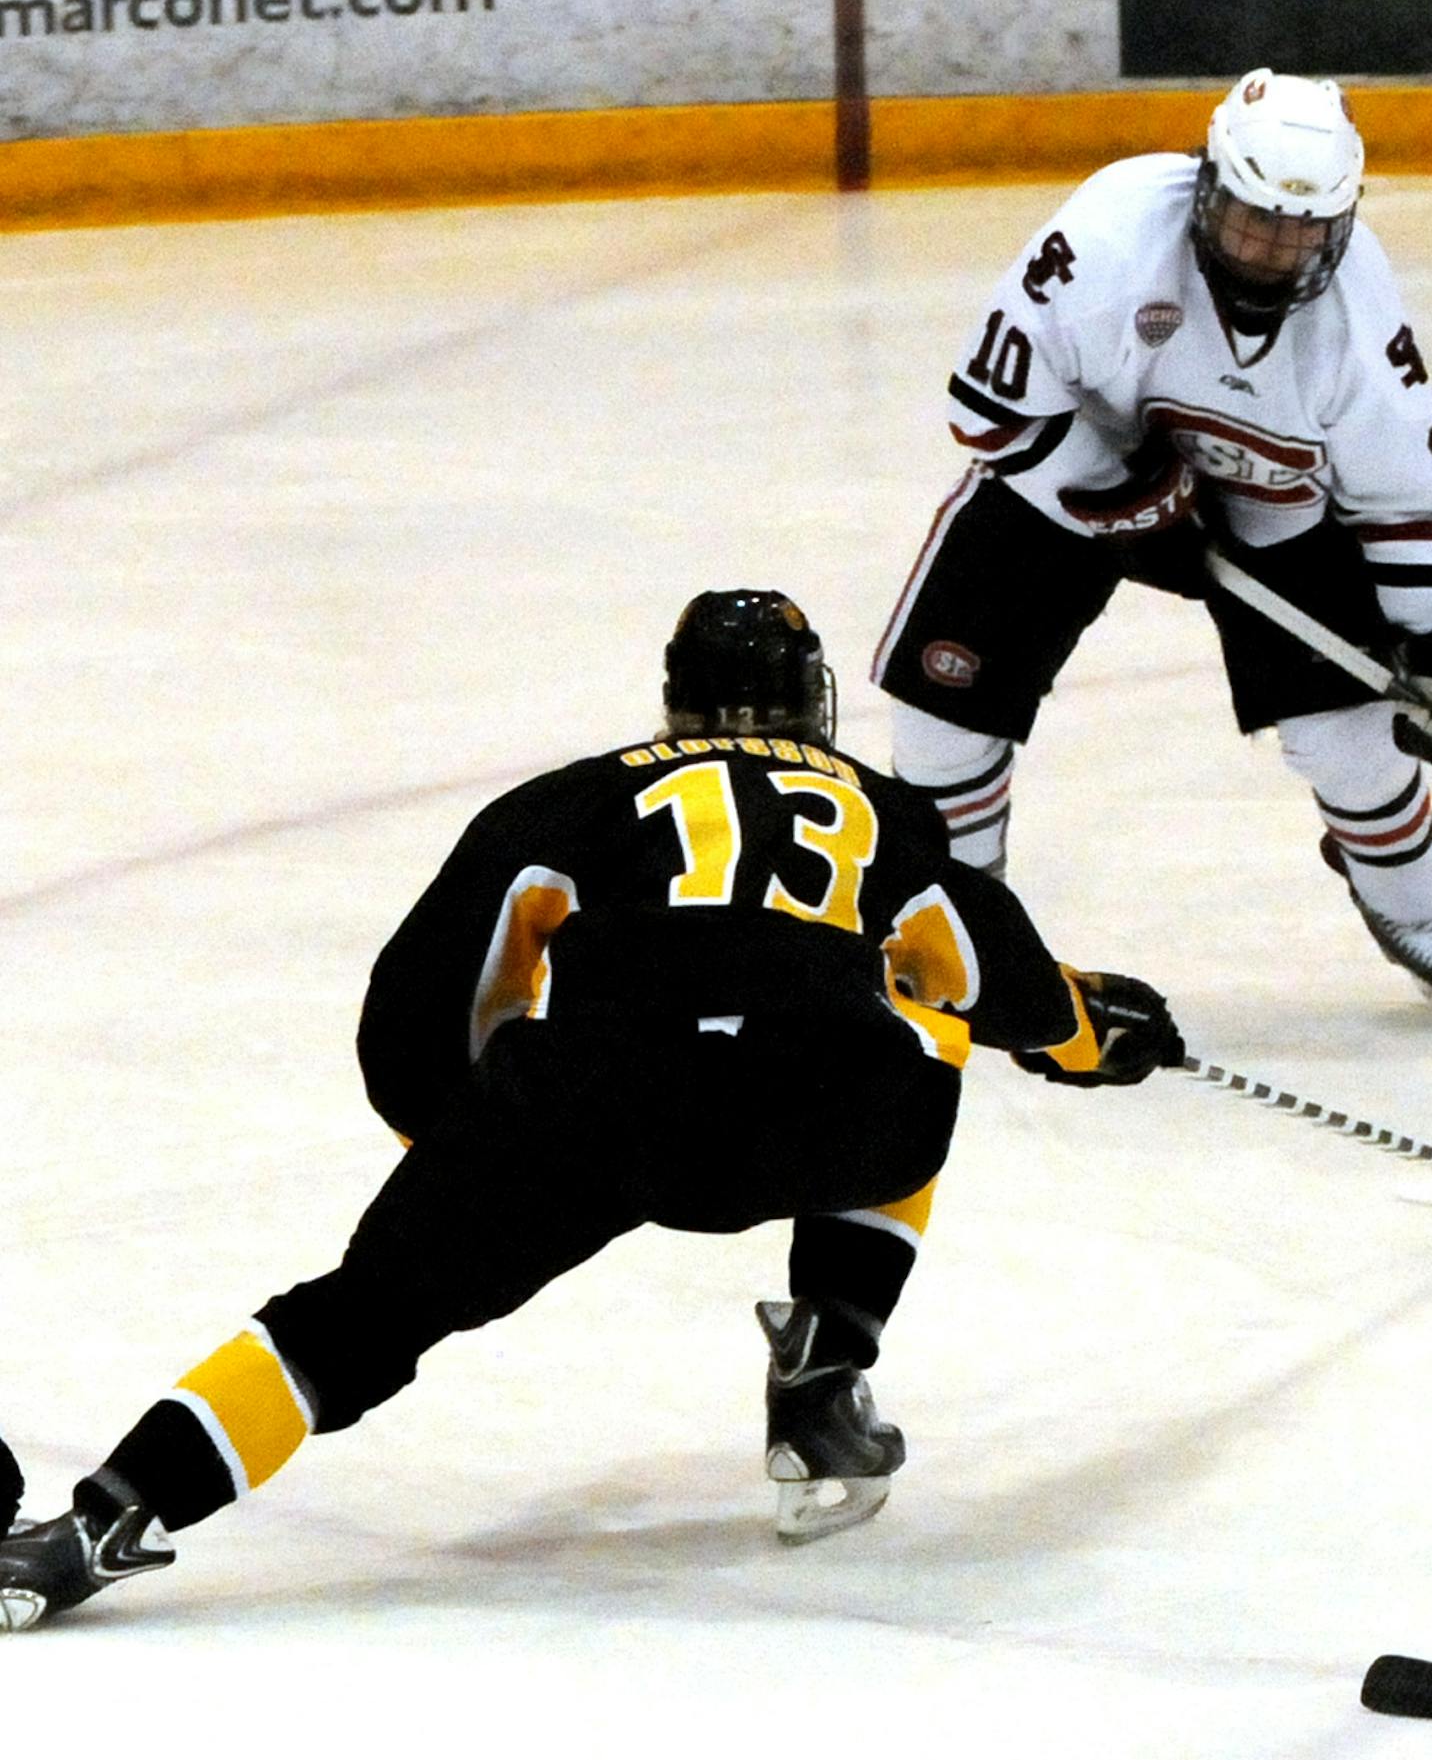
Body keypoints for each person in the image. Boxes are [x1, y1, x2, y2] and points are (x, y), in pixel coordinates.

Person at [0, 590, 1184, 1634]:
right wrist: (1083, 1036)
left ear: (676, 703)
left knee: (353, 1323)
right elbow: (993, 973)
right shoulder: (879, 808)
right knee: (920, 1026)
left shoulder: (569, 804)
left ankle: (102, 1521)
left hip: (590, 1120)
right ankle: (824, 1377)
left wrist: (467, 1153)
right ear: (807, 703)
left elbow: (416, 1006)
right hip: (810, 1127)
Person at [871, 68, 1432, 1012]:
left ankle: (1410, 908)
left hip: (1271, 506)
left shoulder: (1357, 321)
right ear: (1207, 187)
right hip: (1077, 469)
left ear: (1339, 224)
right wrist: (1117, 497)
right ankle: (964, 932)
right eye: (1255, 219)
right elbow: (990, 408)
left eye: (1302, 231)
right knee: (943, 707)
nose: (1272, 251)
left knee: (1353, 740)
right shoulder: (1110, 237)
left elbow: (1406, 503)